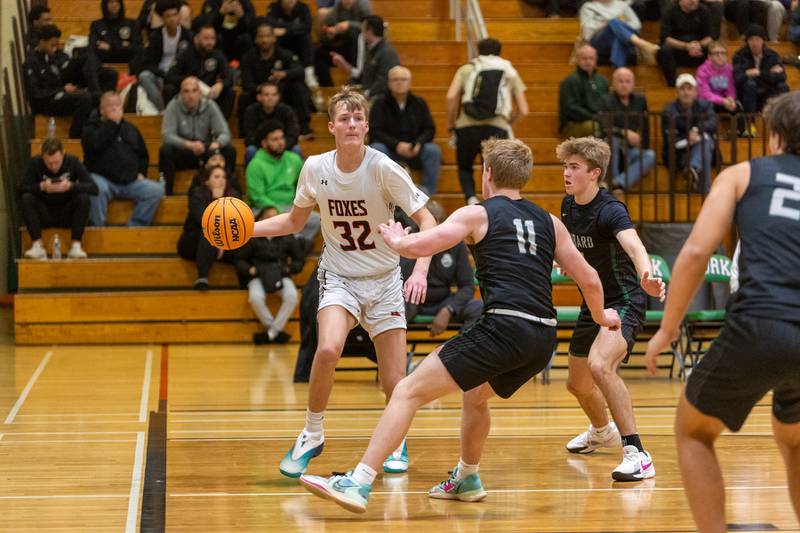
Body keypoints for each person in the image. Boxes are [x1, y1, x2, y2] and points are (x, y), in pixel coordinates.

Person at [297, 138, 621, 513]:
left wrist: (400, 241)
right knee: (476, 395)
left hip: (503, 327)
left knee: (406, 391)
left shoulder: (477, 214)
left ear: (487, 175)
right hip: (543, 337)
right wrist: (601, 316)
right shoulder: (549, 221)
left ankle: (359, 481)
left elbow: (427, 244)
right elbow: (591, 279)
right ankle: (467, 476)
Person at [251, 86, 437, 477]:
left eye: (357, 119)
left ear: (366, 126)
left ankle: (395, 439)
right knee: (328, 349)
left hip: (385, 278)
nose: (351, 124)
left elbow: (429, 222)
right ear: (332, 126)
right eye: (344, 119)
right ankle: (312, 433)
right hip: (339, 277)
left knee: (393, 379)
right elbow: (294, 222)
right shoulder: (316, 168)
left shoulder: (384, 168)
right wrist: (248, 229)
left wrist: (419, 269)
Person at [645, 91, 800, 533]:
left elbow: (695, 252)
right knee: (793, 439)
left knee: (693, 430)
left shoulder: (741, 174)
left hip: (762, 321)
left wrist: (667, 329)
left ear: (774, 135)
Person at [556, 136, 665, 482]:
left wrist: (647, 274)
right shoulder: (568, 206)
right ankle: (602, 431)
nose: (566, 172)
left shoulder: (610, 210)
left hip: (626, 302)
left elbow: (634, 246)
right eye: (565, 166)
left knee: (600, 365)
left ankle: (637, 452)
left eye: (574, 167)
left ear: (595, 172)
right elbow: (572, 250)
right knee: (577, 384)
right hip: (595, 303)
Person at [446, 37, 528, 204]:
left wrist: (451, 122)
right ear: (499, 52)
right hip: (497, 126)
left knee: (465, 166)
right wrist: (508, 122)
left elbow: (451, 96)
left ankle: (470, 198)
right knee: (494, 168)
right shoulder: (508, 70)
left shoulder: (467, 69)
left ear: (477, 51)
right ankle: (492, 202)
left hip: (466, 125)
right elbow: (524, 109)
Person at [82, 92, 164, 227]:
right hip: (103, 180)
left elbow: (143, 155)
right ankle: (97, 228)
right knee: (95, 187)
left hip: (130, 182)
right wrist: (112, 124)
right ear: (101, 110)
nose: (114, 108)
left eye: (117, 105)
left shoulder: (131, 129)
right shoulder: (91, 128)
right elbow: (96, 145)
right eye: (110, 105)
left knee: (156, 190)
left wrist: (141, 173)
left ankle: (135, 226)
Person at [401, 201, 482, 334]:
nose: (432, 229)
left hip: (443, 302)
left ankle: (459, 350)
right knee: (391, 311)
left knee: (478, 308)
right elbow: (400, 282)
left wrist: (449, 309)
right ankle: (398, 353)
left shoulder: (456, 244)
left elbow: (467, 286)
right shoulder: (410, 240)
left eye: (437, 223)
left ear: (444, 224)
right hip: (412, 302)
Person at [24, 25, 115, 139]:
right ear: (42, 42)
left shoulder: (51, 56)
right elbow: (35, 93)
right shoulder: (31, 62)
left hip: (60, 91)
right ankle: (75, 137)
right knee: (84, 99)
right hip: (47, 101)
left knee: (108, 73)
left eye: (57, 45)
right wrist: (62, 89)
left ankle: (100, 112)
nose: (55, 48)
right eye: (52, 45)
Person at [246, 120, 321, 252]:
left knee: (317, 220)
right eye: (274, 139)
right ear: (264, 143)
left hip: (290, 207)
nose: (280, 142)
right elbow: (256, 196)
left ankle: (295, 243)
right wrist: (274, 209)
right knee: (263, 218)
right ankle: (291, 243)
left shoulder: (294, 159)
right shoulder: (255, 164)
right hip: (264, 208)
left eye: (281, 138)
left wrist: (299, 207)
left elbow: (305, 185)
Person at [233, 206, 305, 344]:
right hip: (258, 276)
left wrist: (290, 269)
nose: (272, 220)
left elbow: (299, 259)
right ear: (260, 219)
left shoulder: (286, 235)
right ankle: (276, 332)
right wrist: (250, 270)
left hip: (281, 275)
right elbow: (239, 259)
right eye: (268, 217)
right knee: (255, 298)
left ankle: (271, 333)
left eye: (275, 217)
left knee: (292, 297)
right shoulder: (251, 236)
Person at [19, 138, 98, 260]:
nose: (53, 166)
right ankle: (37, 246)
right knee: (27, 198)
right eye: (49, 163)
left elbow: (93, 188)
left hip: (67, 213)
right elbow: (21, 188)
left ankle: (76, 246)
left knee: (83, 197)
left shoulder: (73, 161)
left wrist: (71, 186)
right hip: (44, 213)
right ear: (42, 156)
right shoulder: (36, 163)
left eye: (57, 162)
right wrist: (41, 187)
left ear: (63, 154)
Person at [370, 66, 440, 194]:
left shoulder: (419, 103)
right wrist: (396, 145)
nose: (399, 82)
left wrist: (418, 143)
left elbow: (430, 129)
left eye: (403, 79)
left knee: (433, 151)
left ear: (409, 82)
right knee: (376, 148)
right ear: (389, 83)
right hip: (390, 149)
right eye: (395, 79)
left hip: (414, 149)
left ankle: (429, 195)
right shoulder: (379, 103)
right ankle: (379, 193)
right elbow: (375, 131)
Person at [160, 76, 235, 195]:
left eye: (194, 91)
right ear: (181, 93)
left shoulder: (210, 105)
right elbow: (167, 135)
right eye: (186, 91)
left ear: (200, 93)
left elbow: (225, 133)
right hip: (183, 149)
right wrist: (188, 144)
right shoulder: (173, 106)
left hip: (205, 148)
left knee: (229, 150)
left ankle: (230, 191)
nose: (191, 95)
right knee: (165, 150)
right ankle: (167, 192)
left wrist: (216, 144)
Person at [239, 22, 310, 139]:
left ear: (273, 38)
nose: (264, 40)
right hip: (259, 94)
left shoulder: (284, 54)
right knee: (244, 97)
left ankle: (304, 127)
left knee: (297, 85)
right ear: (256, 39)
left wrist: (284, 74)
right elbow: (246, 83)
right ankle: (244, 134)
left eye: (267, 36)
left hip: (282, 93)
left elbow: (300, 71)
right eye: (261, 36)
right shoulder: (248, 57)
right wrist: (262, 90)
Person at [177, 165, 237, 289]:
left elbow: (235, 223)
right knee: (209, 233)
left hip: (222, 242)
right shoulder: (197, 195)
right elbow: (206, 220)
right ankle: (202, 278)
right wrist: (217, 200)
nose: (221, 180)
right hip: (193, 242)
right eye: (216, 177)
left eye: (224, 177)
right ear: (207, 181)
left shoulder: (233, 196)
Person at [598, 67, 655, 191]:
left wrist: (642, 144)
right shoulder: (606, 100)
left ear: (633, 84)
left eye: (627, 81)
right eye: (620, 81)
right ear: (613, 83)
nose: (624, 85)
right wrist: (624, 133)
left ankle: (618, 183)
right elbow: (604, 127)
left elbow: (645, 127)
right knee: (613, 140)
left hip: (630, 149)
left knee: (650, 155)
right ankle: (613, 184)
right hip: (612, 148)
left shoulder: (640, 100)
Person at [164, 23, 234, 118]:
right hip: (188, 93)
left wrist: (220, 85)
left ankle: (218, 127)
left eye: (212, 38)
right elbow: (170, 76)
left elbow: (229, 76)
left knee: (229, 92)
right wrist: (188, 81)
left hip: (208, 93)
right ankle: (176, 120)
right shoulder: (185, 54)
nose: (210, 42)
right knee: (169, 89)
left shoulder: (217, 55)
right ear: (196, 39)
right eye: (206, 38)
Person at [661, 73, 716, 192]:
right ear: (676, 92)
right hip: (680, 154)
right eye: (682, 89)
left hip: (701, 150)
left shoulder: (705, 105)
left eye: (689, 89)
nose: (686, 93)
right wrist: (691, 138)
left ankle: (693, 169)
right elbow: (672, 142)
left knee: (705, 145)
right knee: (705, 143)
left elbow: (713, 122)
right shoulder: (669, 110)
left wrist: (696, 130)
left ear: (695, 92)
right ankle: (703, 191)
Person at [135, 0, 193, 111]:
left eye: (175, 15)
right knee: (144, 76)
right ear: (162, 19)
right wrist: (162, 74)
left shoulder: (188, 36)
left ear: (179, 16)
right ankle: (162, 109)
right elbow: (148, 63)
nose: (172, 19)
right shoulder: (155, 36)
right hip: (159, 74)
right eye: (168, 16)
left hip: (178, 76)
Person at [331, 15, 399, 99]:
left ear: (369, 31)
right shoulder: (370, 51)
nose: (361, 33)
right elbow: (362, 76)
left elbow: (384, 79)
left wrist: (367, 94)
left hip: (379, 100)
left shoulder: (387, 52)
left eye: (362, 29)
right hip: (368, 96)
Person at [579, 0, 660, 68]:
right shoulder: (588, 7)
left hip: (621, 37)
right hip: (598, 41)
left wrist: (621, 24)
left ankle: (619, 69)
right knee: (613, 22)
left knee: (617, 36)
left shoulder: (621, 4)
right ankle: (643, 45)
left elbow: (636, 24)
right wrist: (606, 24)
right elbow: (588, 33)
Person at [733, 24, 789, 114]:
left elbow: (782, 76)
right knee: (750, 84)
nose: (755, 43)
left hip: (768, 91)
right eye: (751, 40)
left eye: (757, 39)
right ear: (747, 42)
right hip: (748, 93)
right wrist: (768, 74)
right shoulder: (739, 55)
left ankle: (780, 120)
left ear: (763, 40)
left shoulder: (772, 55)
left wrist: (758, 73)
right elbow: (737, 79)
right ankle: (750, 122)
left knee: (782, 86)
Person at [313, 0, 370, 87]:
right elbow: (327, 25)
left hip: (359, 49)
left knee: (354, 34)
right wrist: (329, 31)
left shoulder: (363, 5)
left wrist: (350, 24)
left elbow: (370, 27)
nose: (348, 1)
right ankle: (327, 87)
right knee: (319, 53)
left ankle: (356, 79)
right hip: (342, 46)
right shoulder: (338, 7)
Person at [242, 82, 301, 163]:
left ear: (278, 97)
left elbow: (293, 135)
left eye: (274, 94)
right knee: (250, 150)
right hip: (261, 148)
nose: (270, 98)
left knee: (296, 149)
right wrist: (268, 146)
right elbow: (249, 136)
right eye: (266, 95)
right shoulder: (251, 111)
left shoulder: (286, 111)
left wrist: (278, 146)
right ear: (259, 97)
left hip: (282, 147)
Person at [657, 0, 713, 86]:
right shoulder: (670, 10)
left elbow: (710, 37)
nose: (693, 1)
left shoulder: (704, 10)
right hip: (677, 51)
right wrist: (686, 46)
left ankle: (705, 84)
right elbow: (665, 38)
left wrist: (699, 45)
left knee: (714, 50)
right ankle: (672, 85)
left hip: (698, 51)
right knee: (665, 50)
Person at [559, 43, 609, 139]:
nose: (588, 61)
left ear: (596, 60)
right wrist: (594, 117)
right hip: (574, 124)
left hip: (597, 120)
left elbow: (607, 103)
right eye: (584, 58)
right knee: (594, 127)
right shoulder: (570, 81)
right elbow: (570, 108)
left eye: (591, 58)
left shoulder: (603, 81)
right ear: (577, 60)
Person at [265, 0, 318, 90]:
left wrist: (286, 31)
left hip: (299, 43)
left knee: (305, 36)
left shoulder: (303, 7)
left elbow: (307, 27)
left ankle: (309, 72)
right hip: (282, 43)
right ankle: (275, 68)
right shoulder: (273, 7)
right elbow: (271, 25)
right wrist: (295, 26)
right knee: (273, 36)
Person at [89, 0, 143, 64]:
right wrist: (122, 44)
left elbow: (136, 46)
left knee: (140, 52)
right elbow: (93, 45)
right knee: (88, 53)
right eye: (111, 2)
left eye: (117, 1)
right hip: (103, 60)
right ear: (105, 4)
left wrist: (110, 47)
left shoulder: (132, 24)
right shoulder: (97, 25)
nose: (114, 4)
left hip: (127, 58)